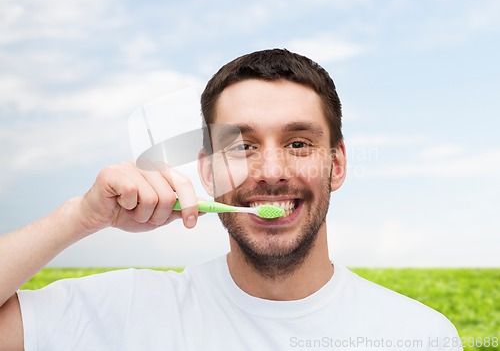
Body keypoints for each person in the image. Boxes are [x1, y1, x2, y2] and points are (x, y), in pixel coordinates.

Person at [0, 49, 462, 350]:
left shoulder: (419, 336)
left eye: (298, 144)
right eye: (242, 146)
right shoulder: (127, 311)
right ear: (207, 171)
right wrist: (79, 217)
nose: (273, 171)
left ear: (336, 165)